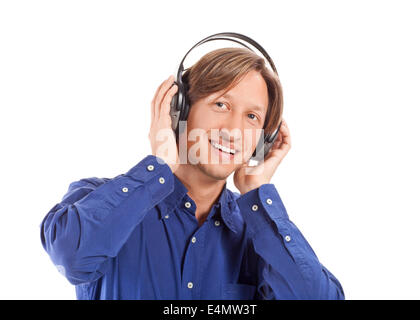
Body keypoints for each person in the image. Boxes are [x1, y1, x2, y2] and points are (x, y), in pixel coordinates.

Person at [40, 47, 345, 300]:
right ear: (180, 110)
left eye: (252, 117)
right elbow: (72, 256)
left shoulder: (258, 235)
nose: (234, 131)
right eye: (221, 104)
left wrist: (257, 194)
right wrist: (157, 166)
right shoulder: (100, 200)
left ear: (262, 142)